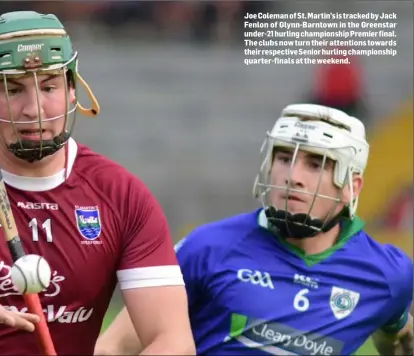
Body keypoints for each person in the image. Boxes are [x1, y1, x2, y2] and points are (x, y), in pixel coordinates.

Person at [0, 10, 194, 356]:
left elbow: (171, 340)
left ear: (73, 90)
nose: (34, 109)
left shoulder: (121, 196)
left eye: (49, 86)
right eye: (13, 89)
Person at [95, 104, 413, 355]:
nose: (293, 176)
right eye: (284, 158)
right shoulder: (207, 248)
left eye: (316, 164)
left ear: (351, 187)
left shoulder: (387, 275)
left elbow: (400, 341)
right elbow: (114, 348)